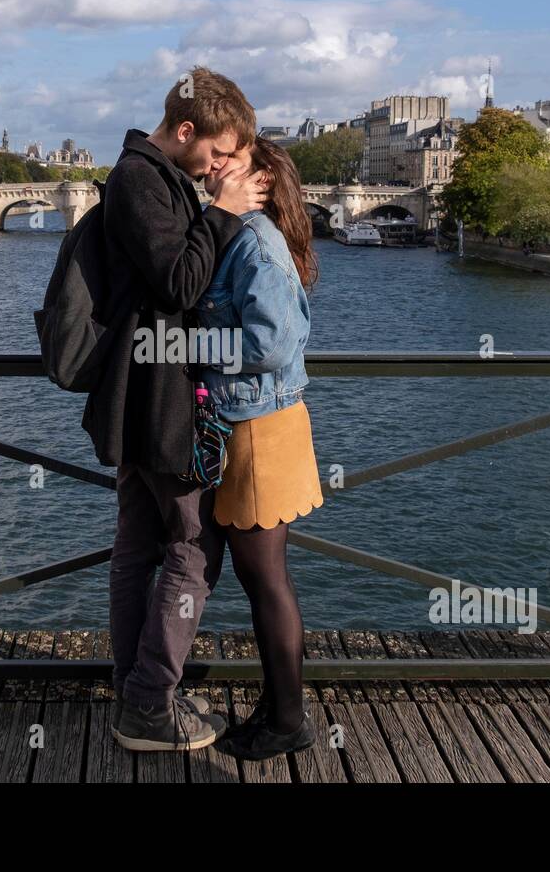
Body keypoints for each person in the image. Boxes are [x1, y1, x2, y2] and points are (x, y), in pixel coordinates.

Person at [91, 67, 269, 752]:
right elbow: (179, 280)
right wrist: (223, 210)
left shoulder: (151, 176)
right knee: (194, 549)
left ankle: (135, 687)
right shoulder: (140, 178)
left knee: (139, 544)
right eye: (218, 154)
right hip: (159, 395)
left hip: (144, 392)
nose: (222, 167)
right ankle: (145, 706)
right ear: (187, 131)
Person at [195, 137, 323, 760]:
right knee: (263, 578)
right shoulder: (240, 232)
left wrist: (191, 352)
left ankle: (288, 721)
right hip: (253, 422)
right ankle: (278, 708)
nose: (217, 166)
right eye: (215, 159)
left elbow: (272, 345)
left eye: (232, 160)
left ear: (264, 176)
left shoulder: (254, 240)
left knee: (266, 580)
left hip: (257, 427)